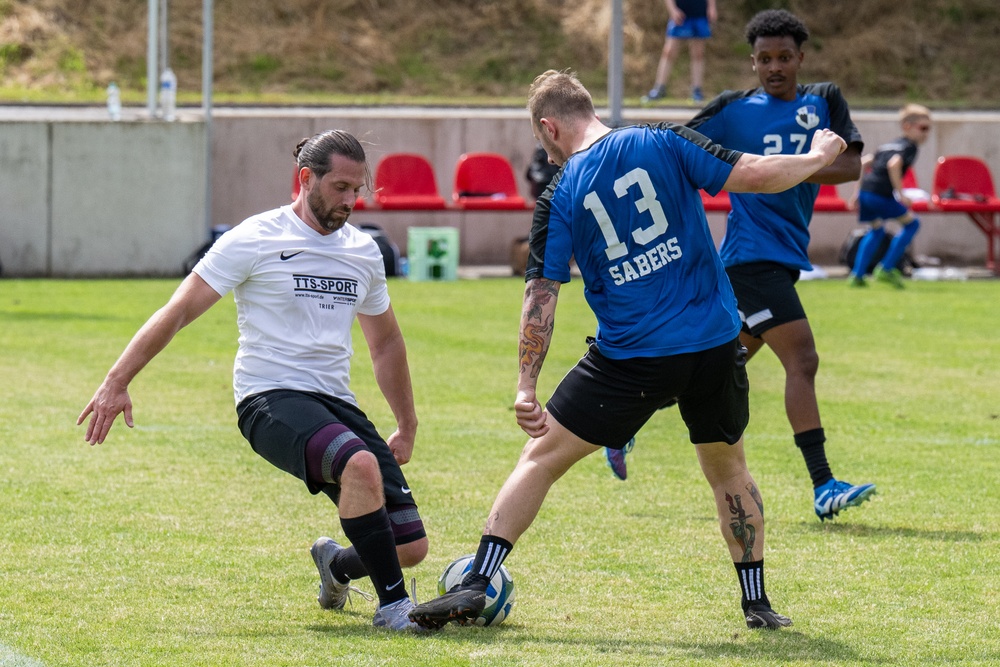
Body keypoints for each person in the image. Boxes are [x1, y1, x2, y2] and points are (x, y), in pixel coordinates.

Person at [408, 69, 847, 631]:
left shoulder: (561, 193)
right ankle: (756, 603)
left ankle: (476, 582)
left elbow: (540, 296)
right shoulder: (664, 139)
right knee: (729, 470)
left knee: (540, 459)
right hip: (714, 344)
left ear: (549, 127)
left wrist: (525, 385)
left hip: (631, 358)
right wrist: (816, 155)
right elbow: (757, 175)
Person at [77, 130, 429, 632]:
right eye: (340, 187)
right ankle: (394, 609)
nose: (352, 200)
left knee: (408, 546)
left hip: (335, 401)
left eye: (358, 189)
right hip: (269, 397)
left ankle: (336, 565)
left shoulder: (363, 252)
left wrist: (407, 423)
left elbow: (387, 343)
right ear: (306, 178)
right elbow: (178, 311)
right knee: (360, 466)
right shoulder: (254, 238)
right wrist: (117, 380)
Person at [685, 9, 876, 521]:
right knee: (803, 359)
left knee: (715, 368)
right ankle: (823, 484)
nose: (775, 66)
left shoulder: (824, 101)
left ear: (800, 58)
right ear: (752, 62)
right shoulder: (732, 111)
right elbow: (676, 146)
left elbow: (851, 165)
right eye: (764, 59)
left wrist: (802, 166)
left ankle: (625, 430)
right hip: (751, 258)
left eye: (784, 57)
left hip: (781, 257)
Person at [848, 104, 933, 288]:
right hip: (880, 194)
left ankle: (857, 275)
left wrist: (856, 193)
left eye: (929, 129)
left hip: (866, 194)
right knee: (912, 224)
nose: (926, 133)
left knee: (876, 231)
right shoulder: (909, 146)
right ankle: (886, 269)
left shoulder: (888, 145)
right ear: (907, 126)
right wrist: (901, 194)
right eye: (923, 128)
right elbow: (894, 165)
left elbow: (863, 163)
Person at [642, 0, 718, 104]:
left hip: (700, 13)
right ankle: (659, 88)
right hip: (680, 14)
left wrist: (711, 7)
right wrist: (672, 10)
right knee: (669, 51)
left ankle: (697, 90)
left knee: (698, 53)